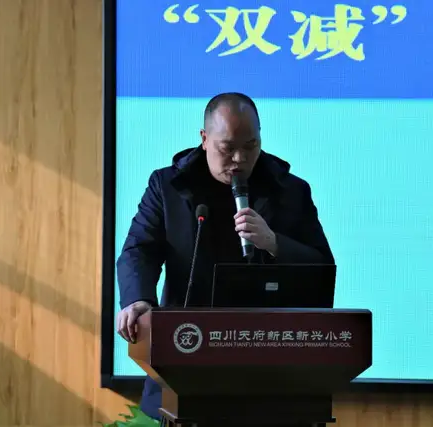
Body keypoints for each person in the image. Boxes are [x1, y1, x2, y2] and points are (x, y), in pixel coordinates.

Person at [115, 92, 334, 420]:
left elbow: (322, 267)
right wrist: (138, 300)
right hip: (186, 353)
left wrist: (274, 243)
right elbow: (139, 250)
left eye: (250, 145)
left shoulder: (290, 191)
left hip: (270, 367)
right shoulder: (168, 186)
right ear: (204, 139)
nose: (240, 158)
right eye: (227, 148)